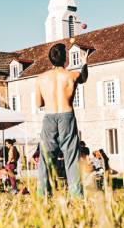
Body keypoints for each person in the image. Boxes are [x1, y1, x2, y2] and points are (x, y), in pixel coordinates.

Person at [35, 42, 88, 197]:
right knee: (71, 156)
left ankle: (43, 194)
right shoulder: (72, 75)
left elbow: (39, 104)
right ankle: (76, 195)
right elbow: (84, 77)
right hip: (67, 116)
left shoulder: (41, 78)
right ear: (65, 59)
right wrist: (85, 62)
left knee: (46, 157)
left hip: (49, 117)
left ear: (50, 59)